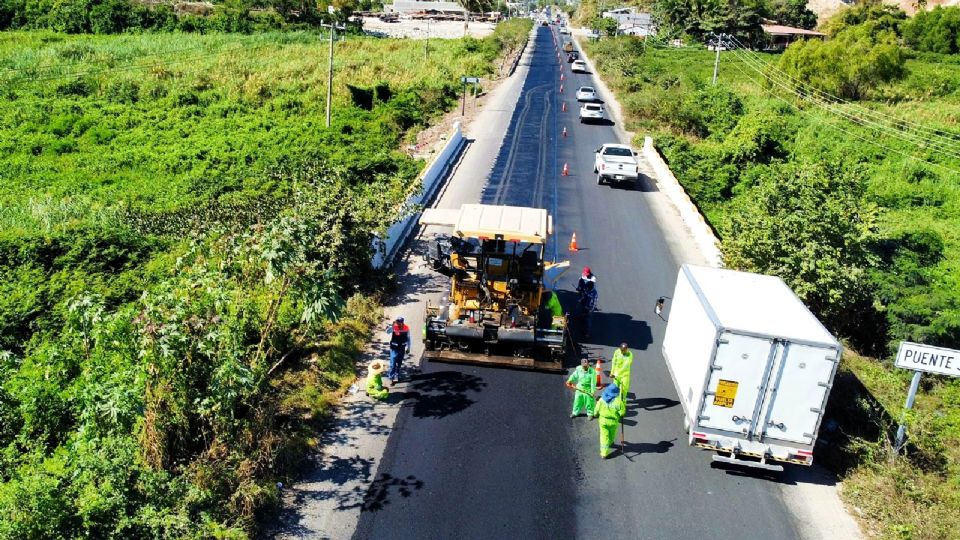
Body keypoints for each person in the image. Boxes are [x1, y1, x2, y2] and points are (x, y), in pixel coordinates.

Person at [595, 382, 624, 459]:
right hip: (613, 422)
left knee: (604, 436)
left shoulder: (601, 399)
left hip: (603, 421)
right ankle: (610, 442)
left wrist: (595, 414)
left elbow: (596, 410)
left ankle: (604, 453)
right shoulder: (618, 401)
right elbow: (622, 412)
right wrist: (621, 414)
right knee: (612, 433)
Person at [386, 316, 411, 383]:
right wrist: (392, 326)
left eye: (399, 322)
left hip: (402, 348)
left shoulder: (406, 328)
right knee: (393, 364)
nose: (397, 323)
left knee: (399, 363)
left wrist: (408, 348)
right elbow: (387, 332)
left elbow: (408, 339)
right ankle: (391, 377)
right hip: (394, 348)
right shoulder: (394, 327)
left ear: (402, 322)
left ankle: (397, 375)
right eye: (397, 321)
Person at [610, 343, 634, 414]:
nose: (622, 352)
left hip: (624, 375)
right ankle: (615, 403)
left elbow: (625, 366)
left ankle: (623, 405)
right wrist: (612, 372)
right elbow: (614, 362)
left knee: (624, 390)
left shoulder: (630, 355)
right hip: (616, 374)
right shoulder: (617, 352)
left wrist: (616, 374)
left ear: (627, 349)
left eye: (623, 350)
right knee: (615, 389)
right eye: (621, 350)